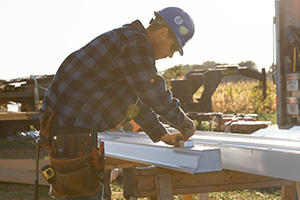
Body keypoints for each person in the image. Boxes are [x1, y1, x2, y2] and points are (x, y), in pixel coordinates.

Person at [40, 7, 195, 200]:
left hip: (69, 127)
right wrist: (182, 120)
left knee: (81, 192)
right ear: (163, 33)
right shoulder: (135, 43)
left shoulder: (128, 42)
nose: (170, 55)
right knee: (83, 194)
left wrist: (161, 134)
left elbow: (134, 101)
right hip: (70, 127)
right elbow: (150, 89)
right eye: (173, 47)